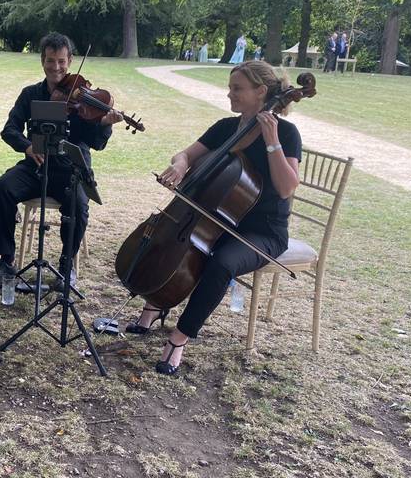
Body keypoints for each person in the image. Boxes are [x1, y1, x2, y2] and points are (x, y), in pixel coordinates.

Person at [126, 60, 301, 376]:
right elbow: (185, 154)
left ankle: (179, 338)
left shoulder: (286, 133)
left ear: (261, 92)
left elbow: (287, 188)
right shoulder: (225, 127)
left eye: (237, 89)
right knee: (176, 245)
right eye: (230, 87)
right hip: (216, 219)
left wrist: (272, 141)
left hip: (262, 231)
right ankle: (154, 304)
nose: (230, 94)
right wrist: (180, 166)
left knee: (221, 262)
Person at [0, 32, 123, 291]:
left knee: (78, 204)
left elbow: (97, 144)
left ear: (70, 61)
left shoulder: (84, 100)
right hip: (36, 165)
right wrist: (27, 146)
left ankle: (66, 267)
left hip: (71, 170)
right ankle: (5, 261)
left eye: (61, 62)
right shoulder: (30, 94)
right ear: (42, 61)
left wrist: (104, 125)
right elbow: (9, 129)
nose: (56, 67)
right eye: (50, 61)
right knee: (1, 189)